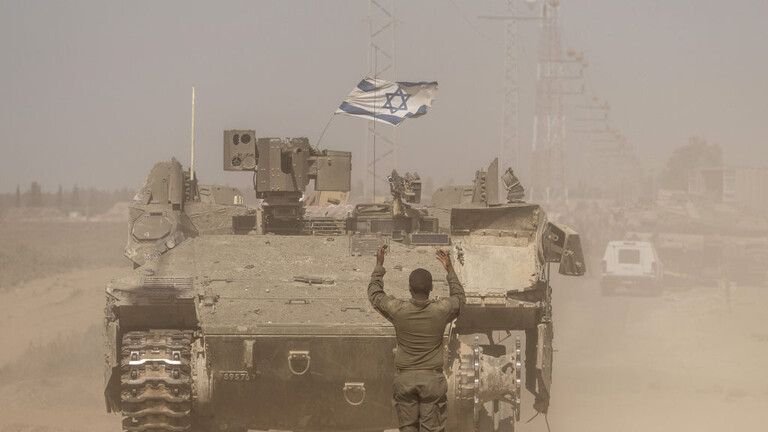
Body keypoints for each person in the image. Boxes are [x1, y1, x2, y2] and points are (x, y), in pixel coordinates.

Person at [368, 244, 466, 432]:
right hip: (432, 381)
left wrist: (379, 265)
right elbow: (460, 299)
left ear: (409, 288)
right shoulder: (441, 310)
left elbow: (375, 295)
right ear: (431, 288)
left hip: (405, 381)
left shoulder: (398, 310)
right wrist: (449, 269)